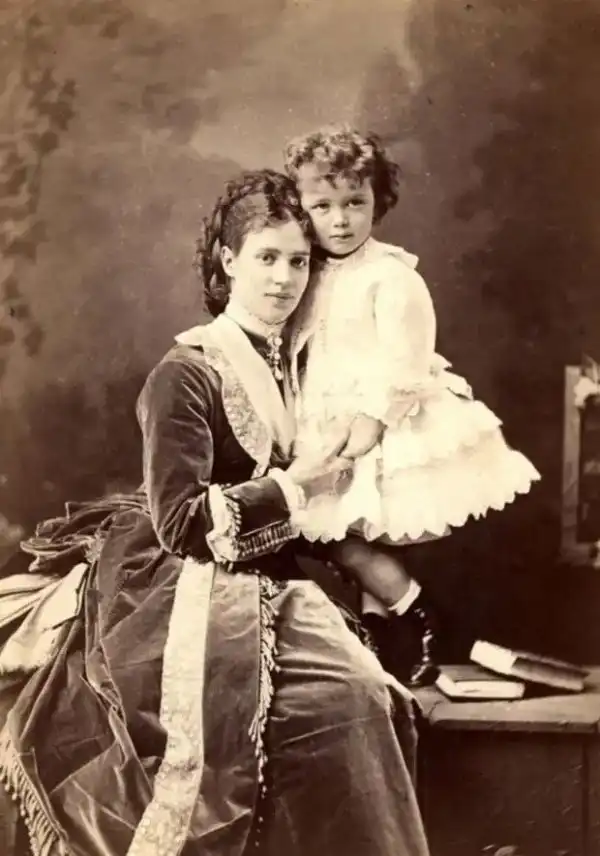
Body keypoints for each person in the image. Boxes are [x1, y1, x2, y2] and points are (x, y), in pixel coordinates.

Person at [0, 169, 430, 856]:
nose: (284, 279)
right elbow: (179, 523)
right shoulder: (187, 371)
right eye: (266, 258)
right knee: (337, 703)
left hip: (266, 573)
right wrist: (294, 486)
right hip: (181, 577)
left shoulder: (294, 361)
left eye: (299, 261)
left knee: (369, 694)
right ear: (228, 261)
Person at [283, 126, 541, 685]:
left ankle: (420, 619)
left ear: (378, 201)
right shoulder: (306, 270)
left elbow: (407, 361)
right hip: (323, 421)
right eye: (322, 206)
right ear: (302, 208)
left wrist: (371, 423)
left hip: (381, 419)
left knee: (344, 534)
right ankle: (397, 632)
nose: (340, 220)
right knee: (340, 534)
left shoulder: (391, 275)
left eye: (355, 203)